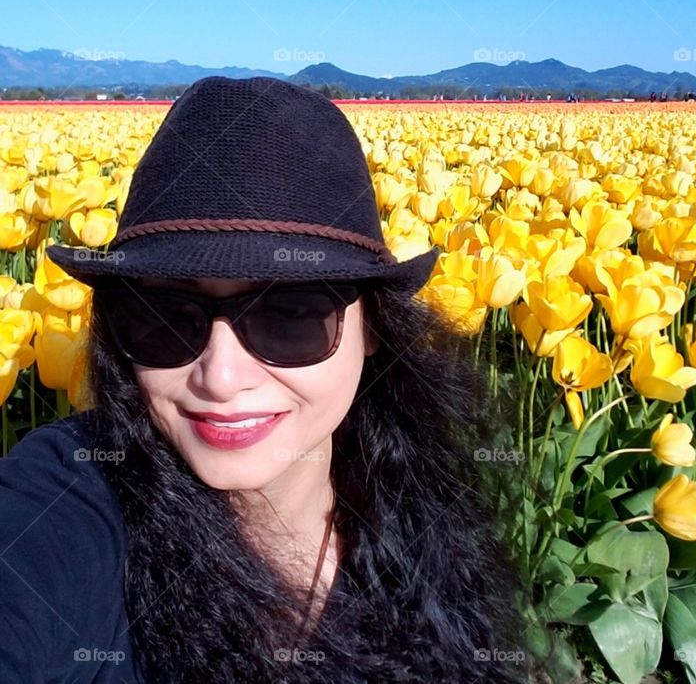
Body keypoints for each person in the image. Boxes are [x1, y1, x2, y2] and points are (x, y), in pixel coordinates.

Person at [1, 77, 529, 683]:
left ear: (374, 327)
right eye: (163, 317)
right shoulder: (70, 498)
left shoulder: (416, 504)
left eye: (289, 315)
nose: (220, 378)